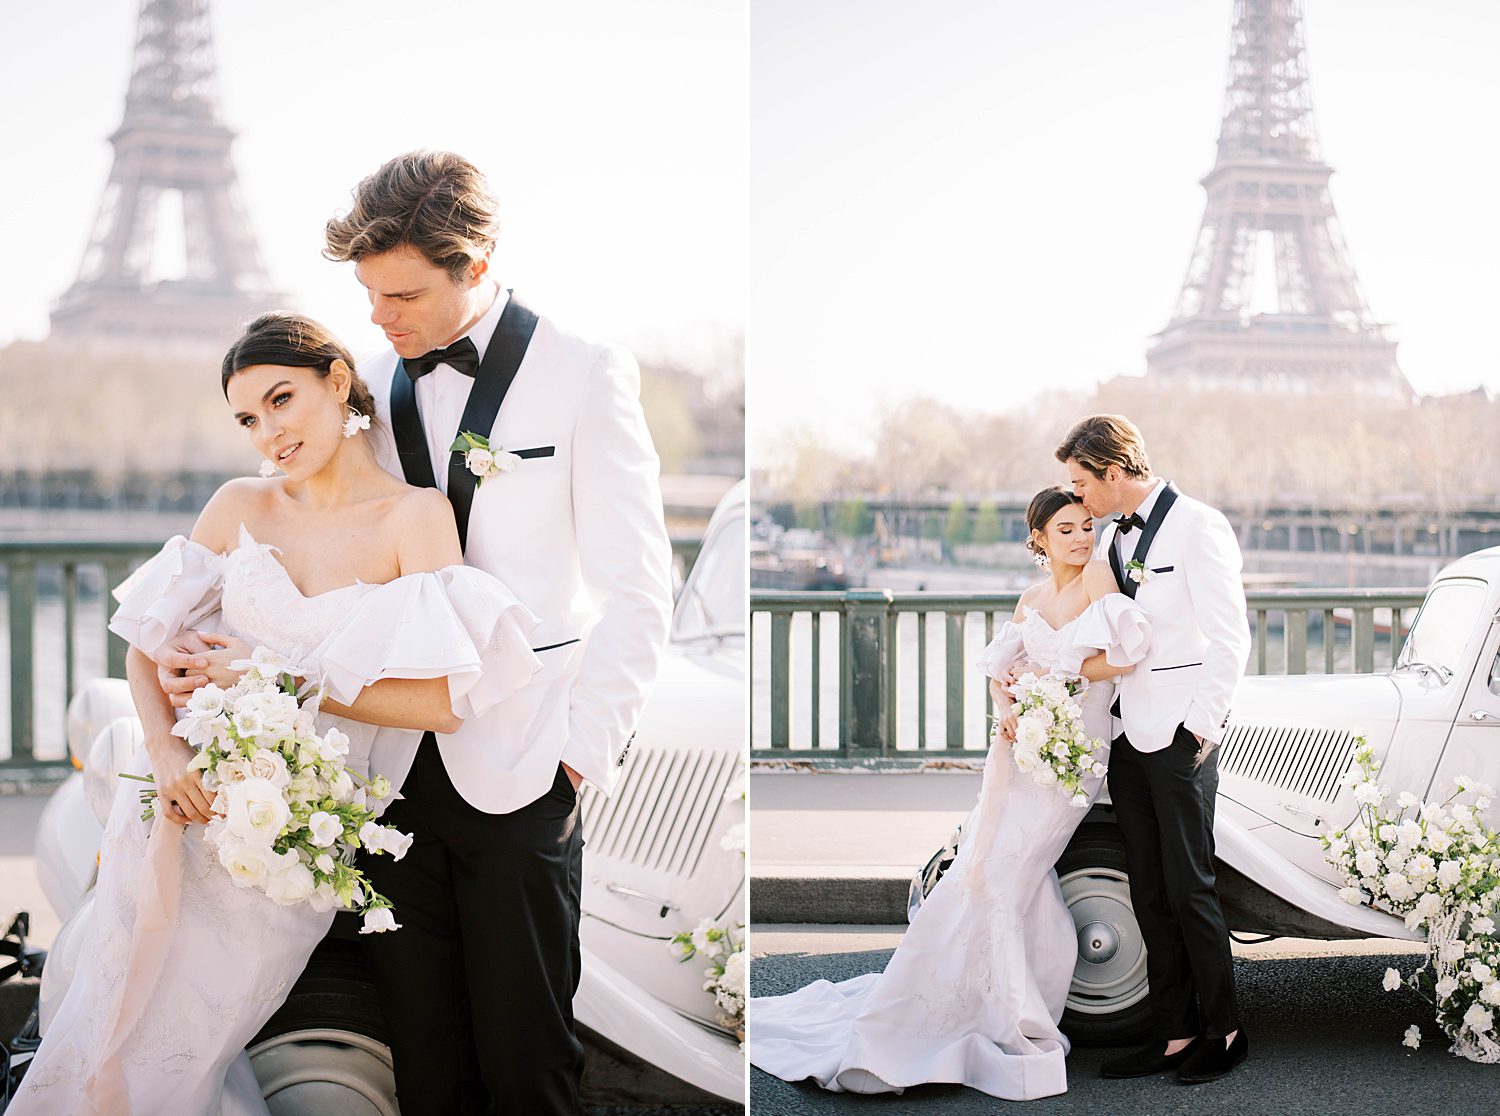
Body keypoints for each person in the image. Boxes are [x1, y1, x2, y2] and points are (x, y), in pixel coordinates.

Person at [154, 150, 675, 1115]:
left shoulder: (587, 372)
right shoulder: (368, 384)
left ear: (475, 264)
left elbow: (640, 589)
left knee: (530, 1059)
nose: (380, 317)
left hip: (524, 758)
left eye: (401, 294)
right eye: (367, 294)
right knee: (426, 1052)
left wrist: (578, 754)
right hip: (380, 761)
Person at [12, 314, 543, 1116]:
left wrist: (277, 677)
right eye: (248, 419)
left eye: (281, 399)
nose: (268, 432)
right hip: (179, 800)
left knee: (188, 1041)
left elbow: (442, 707)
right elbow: (145, 649)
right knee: (105, 1018)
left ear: (337, 380)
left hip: (288, 838)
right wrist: (164, 756)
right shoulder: (238, 505)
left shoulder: (416, 519)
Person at [749, 487, 1150, 1101]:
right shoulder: (1031, 597)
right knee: (985, 871)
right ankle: (975, 1000)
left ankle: (1005, 1018)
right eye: (1065, 529)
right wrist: (1010, 707)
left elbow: (1125, 656)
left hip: (1075, 750)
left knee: (1009, 873)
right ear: (1038, 539)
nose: (1081, 537)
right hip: (1021, 747)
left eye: (1086, 525)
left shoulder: (1099, 578)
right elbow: (999, 668)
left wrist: (1053, 678)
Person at [1055, 414, 1252, 1084]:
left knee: (1191, 886)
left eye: (1082, 483)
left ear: (1114, 472)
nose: (1077, 497)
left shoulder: (1200, 525)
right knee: (1148, 887)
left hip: (1179, 737)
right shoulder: (1108, 534)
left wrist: (1199, 728)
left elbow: (1231, 638)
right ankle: (1174, 1033)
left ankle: (1225, 1032)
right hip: (1126, 734)